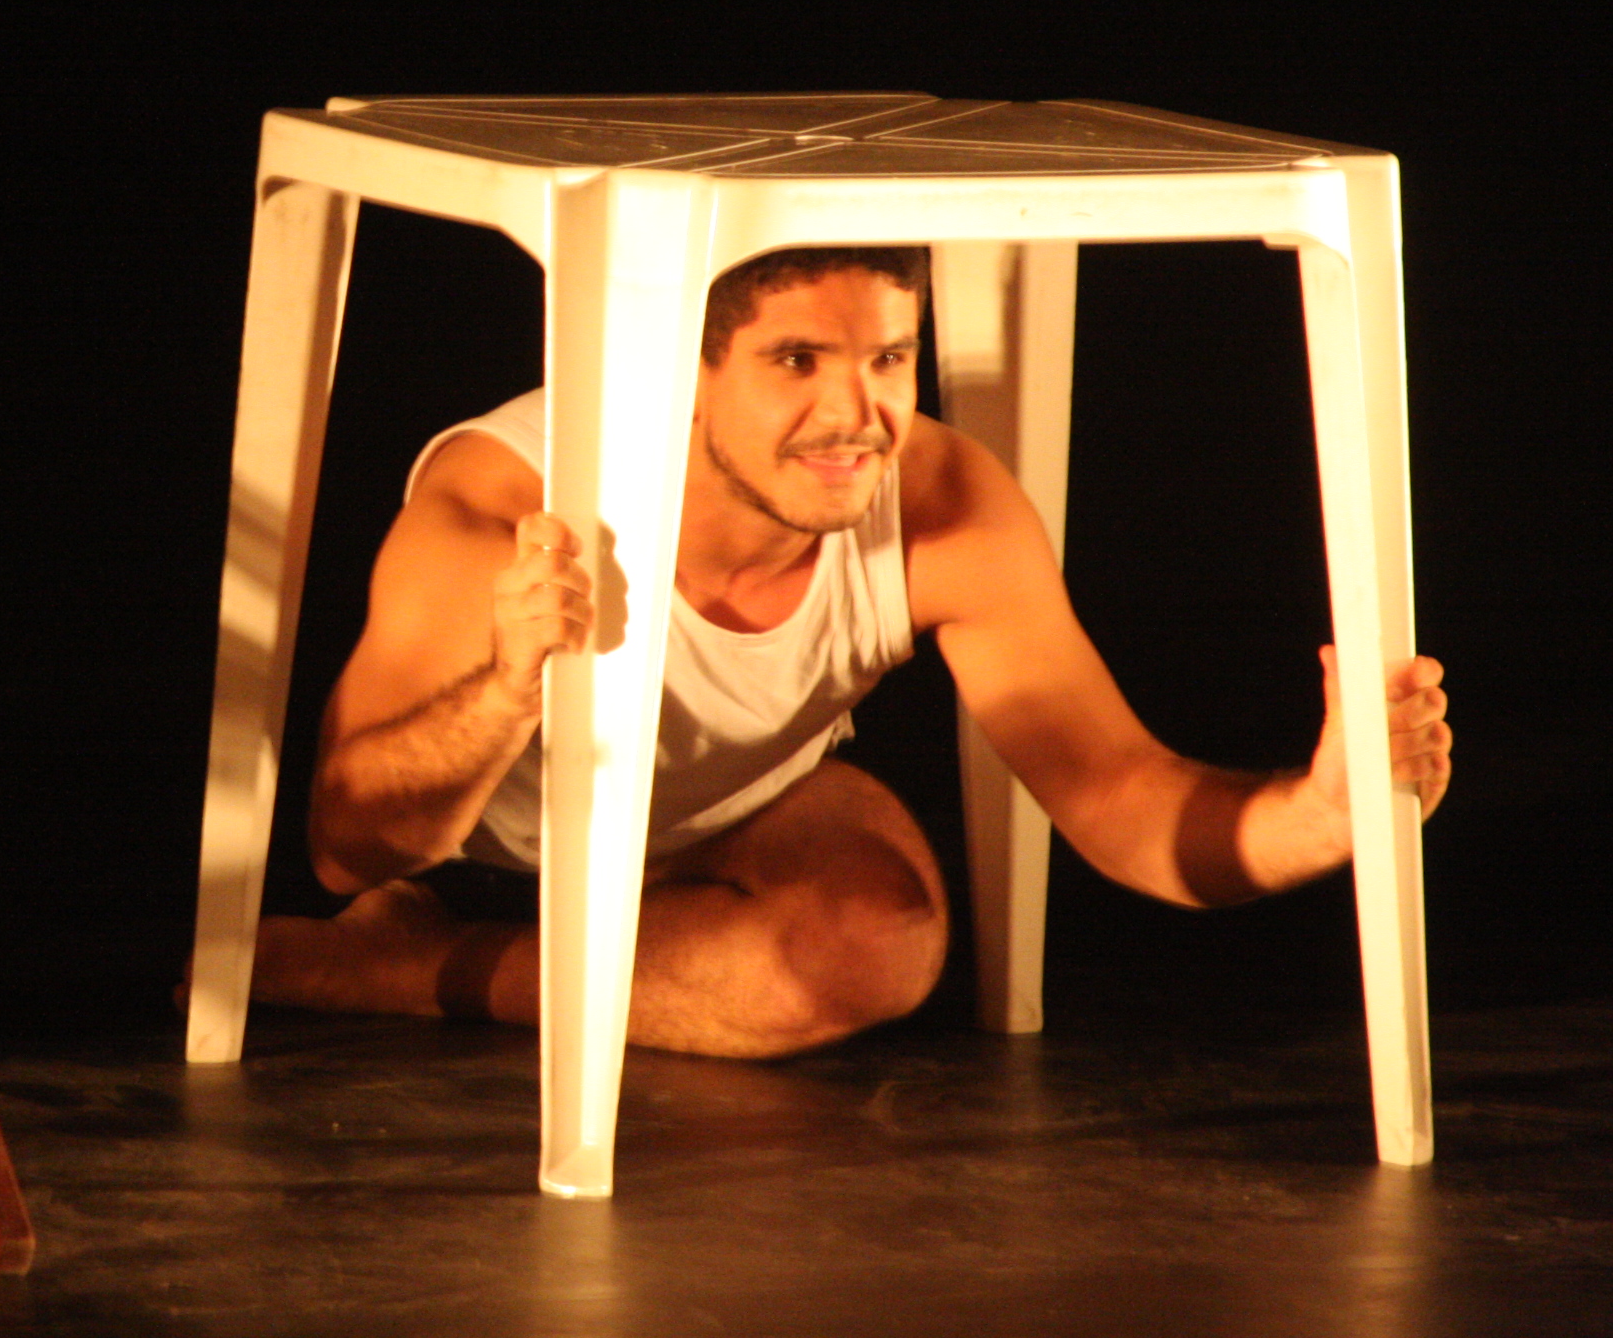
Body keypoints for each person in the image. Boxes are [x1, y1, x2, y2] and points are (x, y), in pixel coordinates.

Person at [251, 246, 1452, 1060]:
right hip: (499, 851)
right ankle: (410, 952)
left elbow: (1117, 799)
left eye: (885, 358)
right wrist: (508, 687)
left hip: (735, 809)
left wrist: (1320, 815)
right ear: (686, 369)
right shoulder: (508, 505)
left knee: (874, 948)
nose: (852, 414)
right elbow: (348, 844)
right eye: (796, 361)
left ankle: (408, 971)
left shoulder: (940, 500)